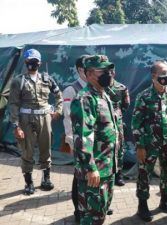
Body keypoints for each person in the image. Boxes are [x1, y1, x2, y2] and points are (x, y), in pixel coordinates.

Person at [132, 60, 167, 222]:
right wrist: (140, 145)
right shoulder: (144, 96)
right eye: (163, 73)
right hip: (149, 144)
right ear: (153, 76)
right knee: (144, 174)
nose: (166, 76)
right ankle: (142, 205)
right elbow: (136, 123)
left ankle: (164, 200)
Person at [70, 55, 119, 225]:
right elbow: (82, 136)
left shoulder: (104, 95)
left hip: (107, 168)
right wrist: (91, 168)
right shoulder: (85, 98)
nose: (109, 74)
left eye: (110, 70)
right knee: (91, 217)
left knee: (101, 213)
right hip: (95, 171)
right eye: (104, 71)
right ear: (90, 74)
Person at [8, 48, 63, 195]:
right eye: (29, 60)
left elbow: (59, 95)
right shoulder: (18, 81)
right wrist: (16, 126)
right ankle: (29, 183)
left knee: (46, 148)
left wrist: (58, 110)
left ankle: (46, 179)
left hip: (45, 118)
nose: (32, 63)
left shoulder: (47, 79)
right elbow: (13, 104)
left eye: (35, 61)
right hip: (26, 119)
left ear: (39, 62)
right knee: (27, 150)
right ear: (26, 62)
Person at [61, 55, 89, 222]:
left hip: (95, 142)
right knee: (79, 177)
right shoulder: (72, 90)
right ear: (80, 70)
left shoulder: (96, 88)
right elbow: (67, 117)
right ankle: (78, 211)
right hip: (79, 141)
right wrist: (71, 140)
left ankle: (94, 206)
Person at [106, 67, 130, 186]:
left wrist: (117, 114)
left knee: (119, 148)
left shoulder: (121, 88)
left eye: (111, 72)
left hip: (117, 123)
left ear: (114, 73)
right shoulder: (99, 88)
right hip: (103, 122)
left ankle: (118, 174)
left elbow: (126, 105)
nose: (109, 74)